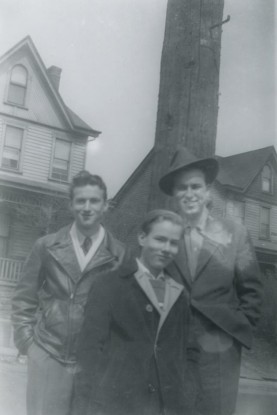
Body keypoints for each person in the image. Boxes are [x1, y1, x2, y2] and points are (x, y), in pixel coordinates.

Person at [159, 147, 263, 415]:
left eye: (196, 186)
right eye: (182, 188)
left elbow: (251, 292)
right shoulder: (162, 237)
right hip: (174, 348)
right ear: (174, 195)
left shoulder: (235, 234)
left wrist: (233, 334)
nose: (190, 193)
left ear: (207, 192)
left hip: (220, 353)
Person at [12, 170, 126, 415]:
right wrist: (29, 344)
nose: (87, 207)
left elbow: (124, 314)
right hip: (48, 353)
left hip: (94, 363)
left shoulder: (120, 255)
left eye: (94, 201)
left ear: (105, 205)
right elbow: (23, 297)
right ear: (71, 205)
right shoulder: (46, 245)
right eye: (80, 200)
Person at [72, 209, 199, 415]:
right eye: (159, 239)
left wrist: (186, 395)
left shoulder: (180, 295)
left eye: (173, 243)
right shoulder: (109, 284)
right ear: (142, 238)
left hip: (165, 404)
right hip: (117, 403)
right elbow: (89, 350)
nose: (166, 248)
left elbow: (190, 353)